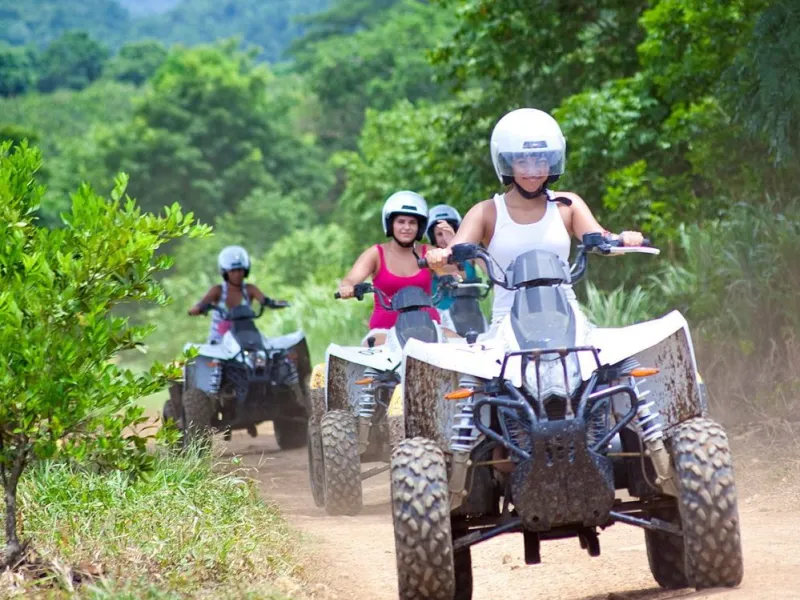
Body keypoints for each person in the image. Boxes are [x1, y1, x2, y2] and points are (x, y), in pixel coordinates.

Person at [426, 108, 645, 335]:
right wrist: (440, 255)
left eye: (541, 160)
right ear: (508, 164)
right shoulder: (485, 212)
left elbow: (602, 239)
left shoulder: (568, 206)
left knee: (614, 355)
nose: (533, 170)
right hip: (507, 323)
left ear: (551, 162)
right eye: (522, 161)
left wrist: (624, 239)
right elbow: (454, 249)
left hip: (566, 316)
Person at [337, 191, 443, 346]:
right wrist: (347, 287)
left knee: (461, 344)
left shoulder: (429, 253)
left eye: (412, 222)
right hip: (384, 331)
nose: (406, 227)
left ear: (420, 227)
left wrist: (449, 246)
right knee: (369, 349)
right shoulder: (376, 253)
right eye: (401, 221)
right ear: (390, 224)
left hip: (429, 329)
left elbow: (457, 274)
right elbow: (351, 279)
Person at [188, 245, 284, 344]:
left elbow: (265, 300)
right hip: (220, 341)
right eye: (233, 271)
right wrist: (198, 309)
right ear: (225, 273)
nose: (237, 274)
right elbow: (200, 304)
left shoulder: (250, 289)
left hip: (246, 337)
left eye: (240, 270)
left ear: (246, 271)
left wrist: (275, 303)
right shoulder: (217, 290)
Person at [426, 204, 482, 331]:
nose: (444, 238)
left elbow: (492, 270)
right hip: (444, 317)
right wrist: (452, 246)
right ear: (433, 237)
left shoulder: (471, 256)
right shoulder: (433, 258)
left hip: (472, 313)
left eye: (447, 232)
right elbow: (457, 277)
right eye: (439, 234)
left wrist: (456, 243)